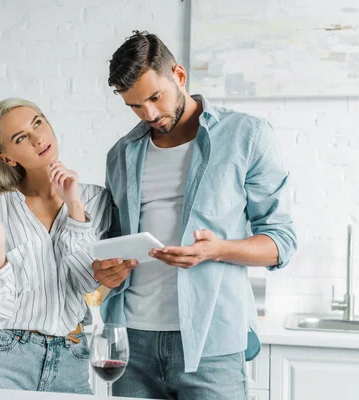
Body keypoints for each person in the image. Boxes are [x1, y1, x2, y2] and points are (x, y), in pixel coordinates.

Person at [93, 31, 297, 399]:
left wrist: (215, 250)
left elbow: (281, 242)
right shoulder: (121, 153)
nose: (150, 114)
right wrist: (106, 269)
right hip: (131, 342)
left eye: (155, 97)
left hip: (212, 344)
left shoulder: (245, 136)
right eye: (136, 106)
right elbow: (114, 242)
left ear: (180, 76)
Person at [0, 98, 112, 394]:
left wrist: (75, 208)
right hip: (5, 356)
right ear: (7, 158)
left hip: (71, 356)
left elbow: (87, 283)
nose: (38, 138)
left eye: (38, 123)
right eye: (21, 138)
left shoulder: (95, 200)